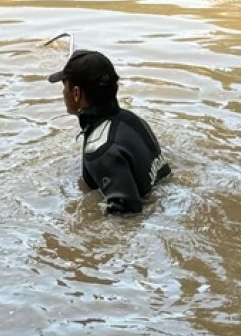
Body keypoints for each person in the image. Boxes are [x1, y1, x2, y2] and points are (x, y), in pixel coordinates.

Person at [49, 50, 170, 214]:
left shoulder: (100, 149)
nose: (63, 93)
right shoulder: (133, 120)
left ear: (76, 93)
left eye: (65, 86)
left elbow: (126, 216)